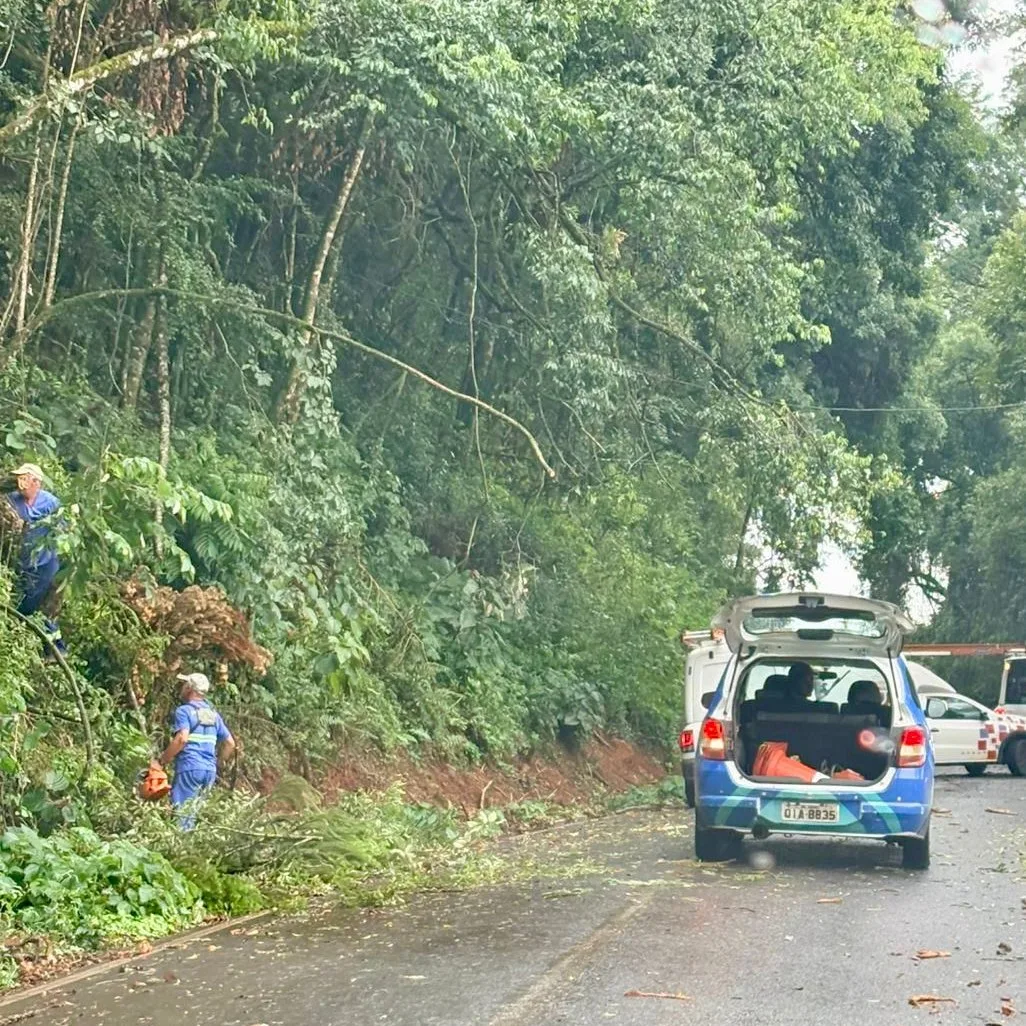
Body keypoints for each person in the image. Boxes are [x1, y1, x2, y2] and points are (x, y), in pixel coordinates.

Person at [156, 672, 236, 828]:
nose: (182, 687)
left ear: (189, 688)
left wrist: (161, 761)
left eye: (185, 685)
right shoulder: (214, 715)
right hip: (209, 771)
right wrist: (217, 762)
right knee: (192, 815)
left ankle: (177, 849)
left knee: (182, 816)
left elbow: (182, 739)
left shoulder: (184, 711)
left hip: (190, 768)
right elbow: (230, 743)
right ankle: (187, 848)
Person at [5, 462, 66, 654]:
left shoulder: (51, 502)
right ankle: (51, 648)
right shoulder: (12, 499)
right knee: (24, 602)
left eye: (25, 478)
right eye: (19, 478)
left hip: (46, 562)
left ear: (36, 482)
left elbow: (64, 530)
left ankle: (54, 648)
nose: (21, 482)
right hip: (22, 562)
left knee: (31, 604)